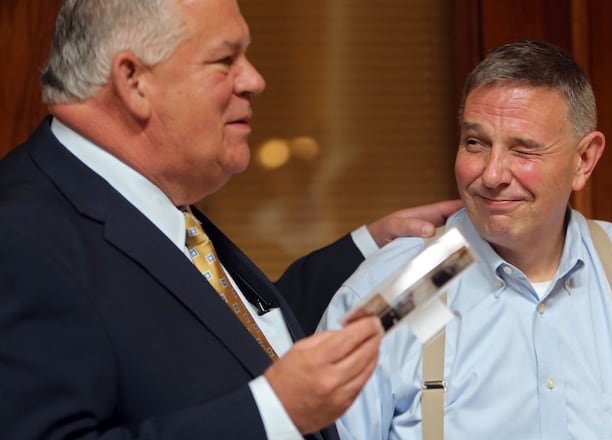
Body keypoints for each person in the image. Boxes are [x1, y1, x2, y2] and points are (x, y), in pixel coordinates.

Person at [0, 1, 462, 439]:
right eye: (225, 59)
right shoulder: (19, 236)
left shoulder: (147, 194)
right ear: (133, 80)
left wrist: (364, 247)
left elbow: (218, 337)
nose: (255, 80)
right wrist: (273, 414)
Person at [319, 39, 612, 439]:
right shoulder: (407, 286)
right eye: (475, 143)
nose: (492, 175)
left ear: (584, 161)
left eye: (523, 149)